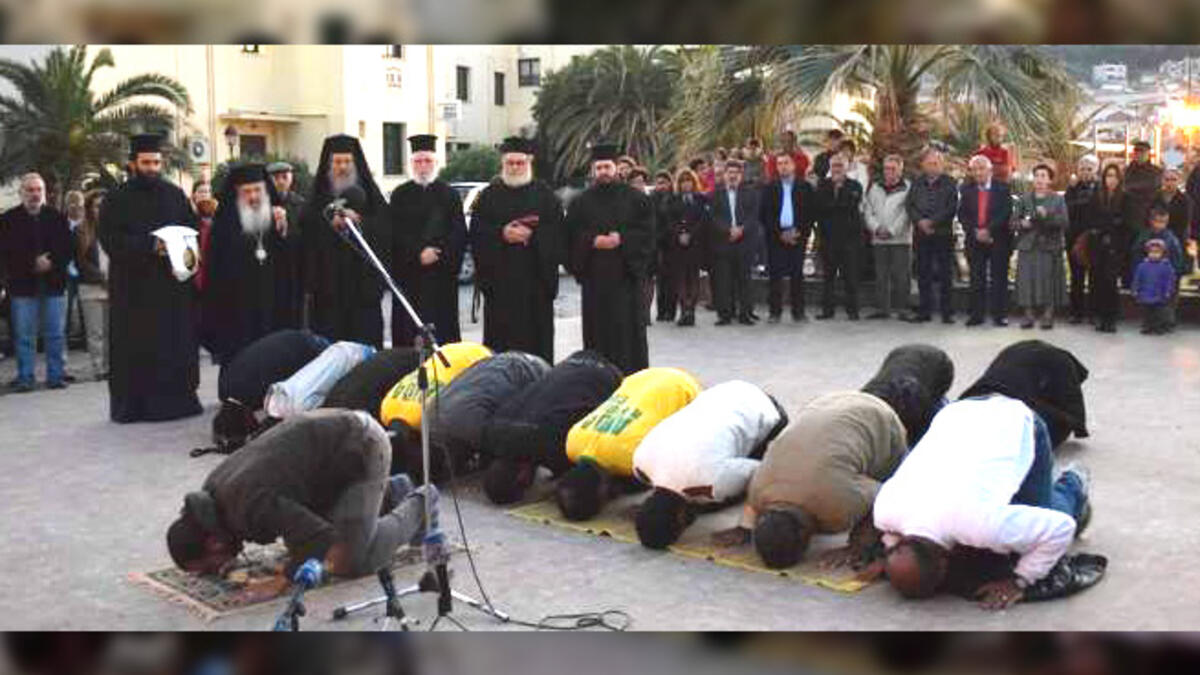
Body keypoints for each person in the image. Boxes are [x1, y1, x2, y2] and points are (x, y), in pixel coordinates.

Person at [712, 345, 954, 569]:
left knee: (912, 460)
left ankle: (940, 408)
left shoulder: (837, 506)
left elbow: (885, 494)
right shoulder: (759, 490)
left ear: (807, 535)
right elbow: (754, 506)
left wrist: (857, 545)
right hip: (830, 402)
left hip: (885, 420)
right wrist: (744, 530)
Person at [166, 409, 439, 598]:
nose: (216, 571)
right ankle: (391, 492)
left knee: (351, 561)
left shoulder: (249, 504)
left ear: (213, 542)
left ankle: (422, 502)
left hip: (361, 448)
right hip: (326, 459)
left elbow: (320, 536)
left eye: (209, 566)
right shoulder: (213, 495)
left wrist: (282, 581)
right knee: (300, 542)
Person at [870, 394, 1092, 609]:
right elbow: (890, 538)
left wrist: (1020, 580)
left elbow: (1060, 528)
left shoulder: (982, 525)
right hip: (958, 412)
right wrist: (888, 563)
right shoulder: (884, 512)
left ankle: (1073, 485)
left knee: (1038, 520)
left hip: (1016, 421)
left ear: (945, 563)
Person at [99, 135, 202, 422]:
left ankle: (176, 404)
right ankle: (134, 408)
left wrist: (184, 255)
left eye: (156, 162)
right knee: (136, 349)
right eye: (146, 163)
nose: (152, 168)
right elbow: (110, 238)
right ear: (133, 164)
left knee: (173, 346)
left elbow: (190, 230)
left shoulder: (175, 194)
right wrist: (149, 246)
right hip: (134, 292)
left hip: (171, 290)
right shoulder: (117, 197)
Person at [632, 381, 788, 549]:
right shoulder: (640, 465)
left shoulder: (714, 481)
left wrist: (746, 526)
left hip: (766, 409)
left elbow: (764, 473)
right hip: (720, 391)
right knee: (713, 494)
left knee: (722, 493)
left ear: (680, 518)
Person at [557, 367, 702, 521]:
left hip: (683, 386)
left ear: (604, 491)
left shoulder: (632, 461)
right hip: (638, 377)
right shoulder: (571, 445)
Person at [482, 350, 623, 505]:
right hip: (572, 361)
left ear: (522, 478)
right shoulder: (495, 428)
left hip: (609, 376)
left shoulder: (554, 448)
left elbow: (586, 478)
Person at [470, 137, 564, 363]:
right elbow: (476, 234)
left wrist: (533, 236)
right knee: (500, 353)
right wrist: (501, 234)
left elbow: (558, 234)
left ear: (529, 163)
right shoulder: (489, 196)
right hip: (500, 289)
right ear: (503, 164)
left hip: (535, 290)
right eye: (510, 163)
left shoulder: (545, 196)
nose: (514, 168)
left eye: (519, 163)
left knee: (536, 353)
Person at [564, 142, 655, 375]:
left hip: (626, 281)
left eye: (607, 166)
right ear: (593, 170)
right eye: (599, 167)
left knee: (629, 336)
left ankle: (632, 380)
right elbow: (568, 237)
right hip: (595, 283)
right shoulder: (580, 203)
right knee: (598, 336)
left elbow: (649, 234)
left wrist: (622, 239)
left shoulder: (637, 199)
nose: (603, 171)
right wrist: (592, 241)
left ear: (616, 168)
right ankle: (596, 381)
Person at [200, 164, 294, 367]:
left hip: (272, 310)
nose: (253, 197)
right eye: (247, 192)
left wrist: (285, 230)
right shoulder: (224, 226)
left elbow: (292, 262)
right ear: (237, 194)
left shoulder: (278, 219)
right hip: (237, 313)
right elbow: (214, 274)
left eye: (258, 190)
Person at [301, 134, 389, 348]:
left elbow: (386, 229)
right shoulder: (317, 198)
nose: (342, 167)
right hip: (328, 292)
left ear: (355, 163)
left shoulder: (369, 195)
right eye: (338, 162)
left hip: (362, 291)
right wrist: (330, 224)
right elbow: (305, 231)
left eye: (347, 161)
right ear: (329, 164)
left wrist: (359, 221)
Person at [387, 134, 468, 348]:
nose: (423, 166)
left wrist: (438, 254)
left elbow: (458, 234)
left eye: (428, 161)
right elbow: (394, 235)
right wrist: (417, 255)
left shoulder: (450, 195)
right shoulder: (399, 196)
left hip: (441, 280)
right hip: (409, 279)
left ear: (436, 163)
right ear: (411, 164)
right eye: (418, 161)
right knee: (408, 338)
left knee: (443, 336)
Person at [420, 351, 551, 483]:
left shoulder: (473, 427)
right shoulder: (428, 418)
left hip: (532, 370)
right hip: (498, 360)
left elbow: (523, 440)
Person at [0, 173, 72, 392]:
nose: (34, 194)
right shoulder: (8, 220)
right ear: (21, 193)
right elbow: (5, 253)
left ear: (44, 192)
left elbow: (68, 249)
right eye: (30, 190)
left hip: (54, 284)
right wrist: (32, 263)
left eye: (38, 190)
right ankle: (25, 378)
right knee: (24, 335)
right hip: (22, 286)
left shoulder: (57, 217)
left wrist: (51, 262)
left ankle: (56, 376)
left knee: (56, 334)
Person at [212, 329, 331, 451]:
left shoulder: (258, 393)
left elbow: (281, 414)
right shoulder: (225, 389)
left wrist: (257, 436)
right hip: (293, 337)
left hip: (311, 347)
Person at [905, 148, 960, 324]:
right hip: (921, 235)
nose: (932, 166)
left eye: (936, 163)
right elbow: (910, 205)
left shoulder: (950, 183)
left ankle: (946, 312)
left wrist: (932, 222)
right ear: (923, 165)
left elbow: (952, 207)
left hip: (942, 234)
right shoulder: (917, 183)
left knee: (945, 274)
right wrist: (920, 221)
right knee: (923, 273)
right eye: (929, 163)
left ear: (941, 165)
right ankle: (924, 311)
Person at [958, 155, 1014, 327]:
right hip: (975, 240)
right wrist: (975, 231)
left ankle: (1000, 315)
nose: (978, 172)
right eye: (974, 169)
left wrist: (989, 230)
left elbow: (1005, 212)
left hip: (998, 239)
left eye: (981, 168)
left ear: (990, 170)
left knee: (999, 278)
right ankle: (977, 315)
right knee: (976, 278)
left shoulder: (1003, 188)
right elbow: (962, 214)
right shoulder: (966, 190)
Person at [761, 151, 816, 323]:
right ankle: (774, 312)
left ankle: (798, 312)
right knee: (775, 275)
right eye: (779, 164)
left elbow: (810, 214)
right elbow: (765, 214)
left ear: (793, 165)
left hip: (797, 237)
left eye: (786, 163)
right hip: (776, 238)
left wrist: (797, 232)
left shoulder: (805, 187)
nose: (783, 166)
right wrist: (780, 233)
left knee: (797, 275)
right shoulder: (770, 188)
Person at [1013, 164, 1069, 330]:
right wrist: (1021, 223)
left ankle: (1048, 314)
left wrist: (1048, 216)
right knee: (1026, 280)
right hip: (1028, 245)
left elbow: (1064, 222)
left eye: (1043, 176)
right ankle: (1028, 314)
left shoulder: (1058, 199)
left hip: (1049, 246)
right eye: (1037, 175)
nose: (1039, 179)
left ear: (1050, 180)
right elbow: (1012, 222)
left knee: (1048, 281)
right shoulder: (1024, 199)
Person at [709, 159, 763, 325]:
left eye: (736, 173)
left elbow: (754, 216)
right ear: (724, 175)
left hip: (744, 241)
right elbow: (713, 217)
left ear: (741, 175)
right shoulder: (716, 193)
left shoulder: (750, 192)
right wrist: (728, 230)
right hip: (724, 242)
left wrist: (741, 230)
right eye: (729, 173)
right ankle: (725, 314)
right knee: (724, 280)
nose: (732, 176)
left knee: (744, 279)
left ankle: (745, 313)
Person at [813, 154, 865, 320]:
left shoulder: (855, 186)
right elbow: (820, 207)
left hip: (849, 239)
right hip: (828, 238)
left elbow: (850, 206)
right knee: (828, 277)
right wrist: (835, 204)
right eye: (834, 166)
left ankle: (853, 310)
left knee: (850, 276)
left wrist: (834, 202)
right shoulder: (823, 185)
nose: (837, 169)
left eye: (840, 166)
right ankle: (827, 310)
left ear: (847, 168)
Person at [862, 154, 912, 320]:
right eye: (886, 168)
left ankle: (903, 309)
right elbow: (868, 211)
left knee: (901, 276)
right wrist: (876, 228)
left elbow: (906, 213)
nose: (889, 172)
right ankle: (882, 309)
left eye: (893, 168)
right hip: (879, 239)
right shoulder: (875, 187)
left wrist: (891, 230)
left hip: (900, 239)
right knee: (881, 275)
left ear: (900, 169)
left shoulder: (908, 188)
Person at [1087, 164, 1132, 333]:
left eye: (1114, 176)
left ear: (1119, 179)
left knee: (1110, 282)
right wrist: (1102, 229)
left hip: (1116, 247)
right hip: (1098, 245)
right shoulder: (1097, 196)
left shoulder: (1125, 197)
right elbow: (1092, 219)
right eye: (1108, 176)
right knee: (1097, 281)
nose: (1111, 180)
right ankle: (1099, 316)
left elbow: (1126, 223)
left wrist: (1112, 231)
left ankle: (1110, 318)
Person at [663, 168, 711, 327]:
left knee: (694, 277)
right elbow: (668, 220)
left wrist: (691, 234)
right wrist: (679, 234)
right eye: (683, 182)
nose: (686, 185)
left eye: (689, 181)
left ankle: (691, 309)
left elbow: (704, 220)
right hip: (677, 245)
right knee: (680, 278)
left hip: (696, 244)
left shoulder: (701, 199)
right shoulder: (672, 200)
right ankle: (684, 309)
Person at [1130, 206, 1189, 331]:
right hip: (1149, 275)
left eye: (1163, 222)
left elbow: (1177, 256)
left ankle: (1166, 322)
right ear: (1151, 221)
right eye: (1157, 221)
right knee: (1148, 302)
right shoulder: (1144, 235)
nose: (1160, 225)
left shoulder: (1170, 238)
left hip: (1164, 275)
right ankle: (1149, 323)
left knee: (1166, 302)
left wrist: (1175, 272)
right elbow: (1136, 252)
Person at [266, 161, 308, 330]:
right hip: (270, 268)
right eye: (276, 178)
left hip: (294, 267)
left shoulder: (300, 204)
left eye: (285, 177)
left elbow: (304, 235)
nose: (281, 181)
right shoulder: (260, 204)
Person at [75, 190, 109, 381]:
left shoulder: (115, 229)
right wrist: (101, 278)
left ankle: (112, 366)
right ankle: (99, 369)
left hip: (114, 286)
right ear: (89, 208)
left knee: (111, 331)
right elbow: (80, 262)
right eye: (96, 206)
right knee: (95, 332)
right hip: (91, 288)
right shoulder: (81, 230)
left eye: (103, 205)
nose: (100, 210)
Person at [1064, 155, 1100, 325]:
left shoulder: (1101, 188)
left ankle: (1094, 312)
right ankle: (1076, 312)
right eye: (1082, 169)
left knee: (1095, 278)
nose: (1085, 172)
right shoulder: (1071, 189)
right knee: (1076, 278)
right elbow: (1068, 209)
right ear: (1077, 171)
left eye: (1089, 169)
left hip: (1094, 238)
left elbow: (1099, 208)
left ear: (1096, 170)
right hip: (1075, 237)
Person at [1123, 141, 1164, 269]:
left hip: (1146, 220)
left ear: (1148, 154)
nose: (1139, 155)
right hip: (1127, 220)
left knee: (1145, 257)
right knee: (1128, 257)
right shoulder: (1128, 170)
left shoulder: (1155, 172)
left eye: (1142, 152)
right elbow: (1124, 189)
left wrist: (1132, 190)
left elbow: (1152, 190)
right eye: (1137, 152)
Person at [1132, 239, 1178, 335]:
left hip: (1159, 294)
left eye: (1157, 252)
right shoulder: (1142, 266)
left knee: (1159, 312)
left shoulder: (1166, 266)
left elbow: (1169, 280)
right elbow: (1137, 278)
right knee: (1147, 312)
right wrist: (1135, 289)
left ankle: (1158, 327)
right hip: (1146, 293)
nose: (1154, 254)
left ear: (1162, 253)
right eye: (1151, 252)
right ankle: (1147, 326)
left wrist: (1168, 291)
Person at [651, 170, 678, 323]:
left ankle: (671, 311)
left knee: (672, 280)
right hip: (658, 244)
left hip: (673, 243)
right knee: (661, 280)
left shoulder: (674, 198)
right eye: (659, 183)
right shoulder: (652, 199)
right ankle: (661, 311)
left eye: (664, 182)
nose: (661, 186)